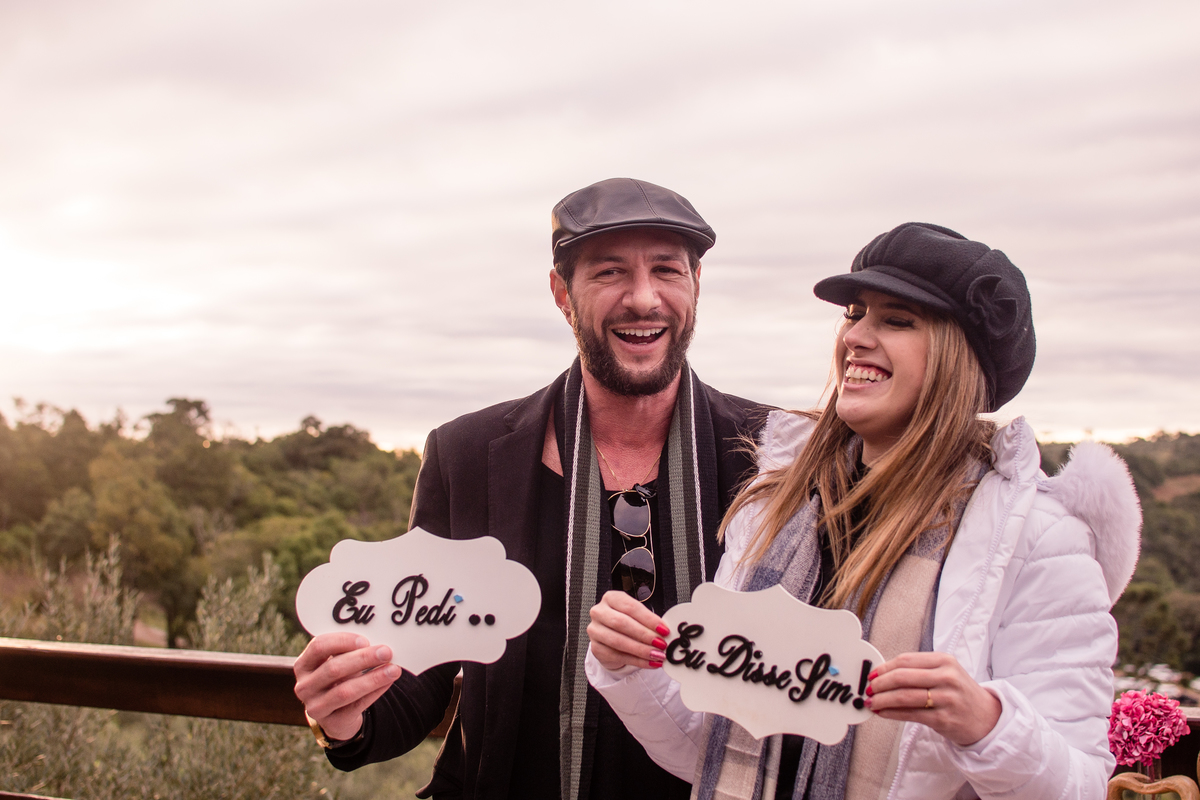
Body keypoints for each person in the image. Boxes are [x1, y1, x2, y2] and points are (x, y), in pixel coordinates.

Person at [585, 222, 1141, 799]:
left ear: (959, 356)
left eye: (897, 320)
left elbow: (1081, 785)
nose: (856, 336)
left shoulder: (1038, 537)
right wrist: (632, 668)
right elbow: (710, 750)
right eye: (855, 314)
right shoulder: (776, 504)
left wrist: (985, 723)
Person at [292, 178, 769, 800]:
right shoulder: (469, 455)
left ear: (696, 285)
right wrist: (343, 714)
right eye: (609, 272)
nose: (643, 298)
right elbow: (420, 679)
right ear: (562, 294)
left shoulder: (774, 459)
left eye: (667, 270)